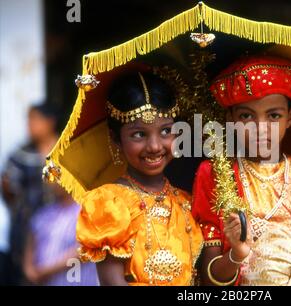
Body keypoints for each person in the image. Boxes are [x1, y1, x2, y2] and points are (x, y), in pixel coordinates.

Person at [192, 55, 291, 286]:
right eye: (246, 116)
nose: (260, 128)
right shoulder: (214, 175)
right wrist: (237, 254)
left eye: (273, 116)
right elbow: (209, 279)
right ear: (230, 119)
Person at [76, 70, 203, 285]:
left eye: (165, 132)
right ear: (116, 139)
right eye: (139, 134)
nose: (154, 146)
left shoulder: (187, 202)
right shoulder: (109, 204)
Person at [1, 103, 59, 284]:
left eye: (35, 119)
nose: (30, 124)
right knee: (24, 275)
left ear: (50, 122)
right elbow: (9, 192)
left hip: (60, 227)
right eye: (29, 120)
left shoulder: (66, 151)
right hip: (26, 228)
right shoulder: (20, 154)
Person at [23, 184, 98, 286]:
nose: (52, 183)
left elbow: (85, 248)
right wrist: (30, 271)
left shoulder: (86, 212)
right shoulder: (43, 214)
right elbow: (30, 245)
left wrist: (46, 271)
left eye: (58, 177)